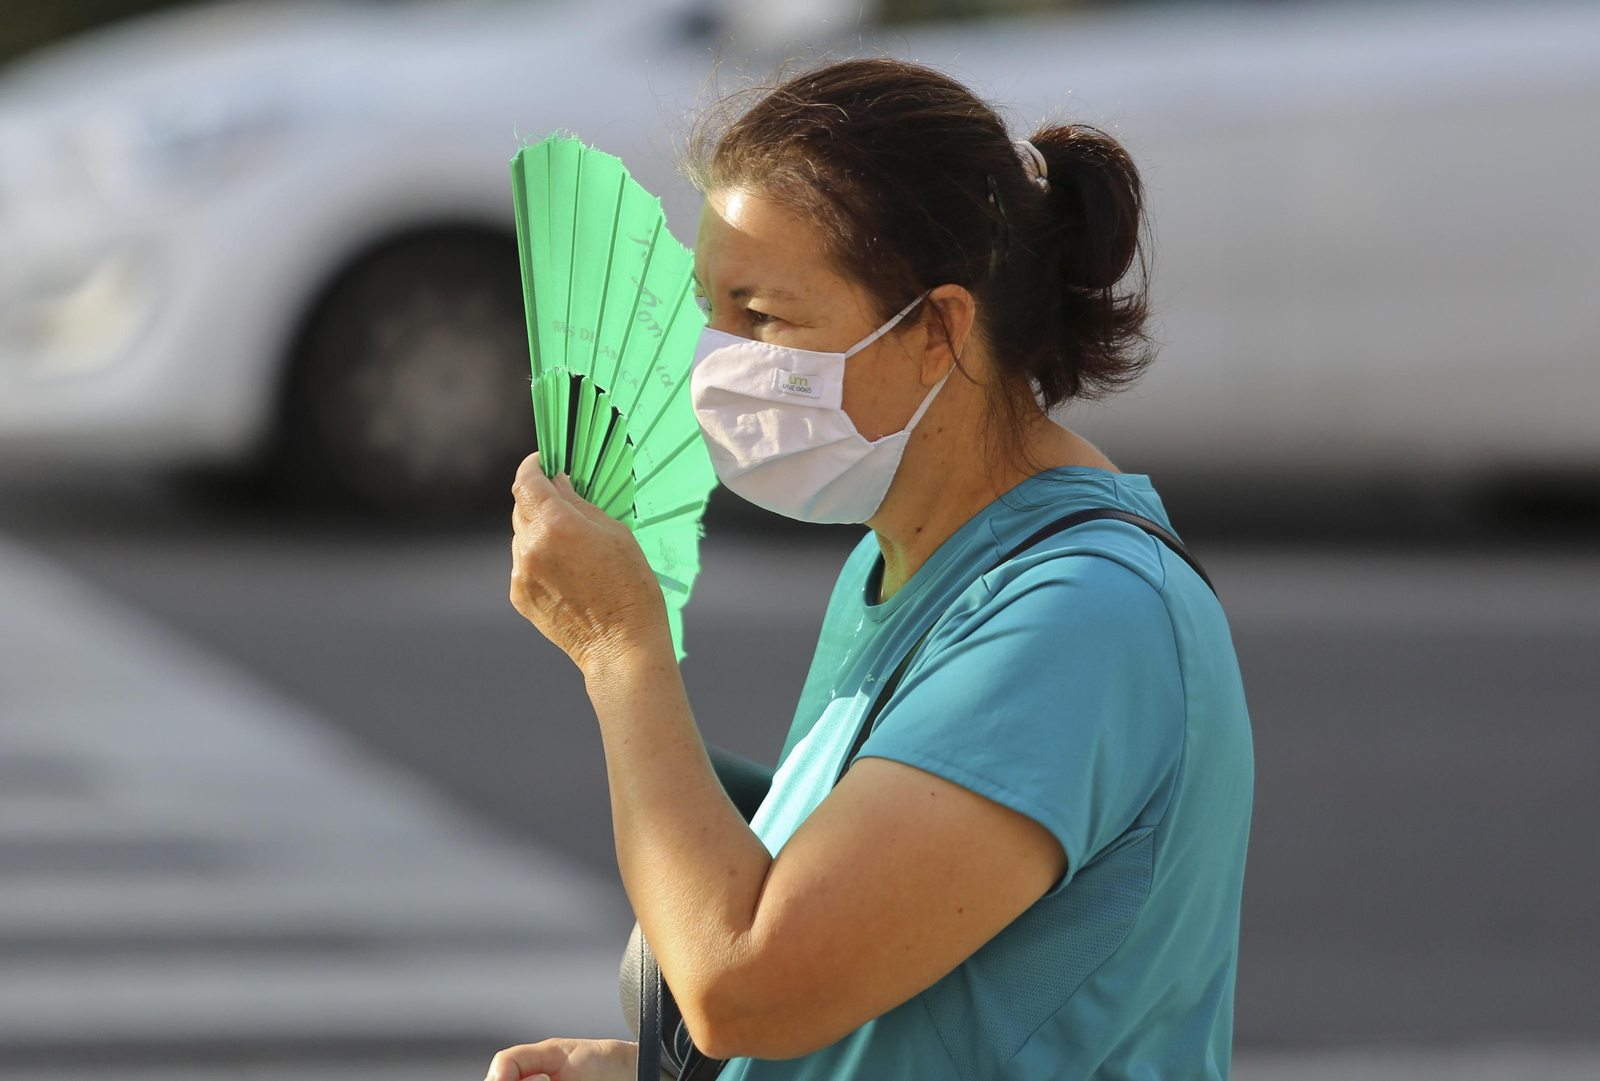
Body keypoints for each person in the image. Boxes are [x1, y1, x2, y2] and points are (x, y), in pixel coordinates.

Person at [492, 58, 1252, 1081]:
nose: (714, 356)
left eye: (761, 316)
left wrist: (620, 650)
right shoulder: (905, 554)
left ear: (937, 329)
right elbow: (880, 955)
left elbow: (744, 982)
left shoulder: (1081, 619)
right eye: (705, 307)